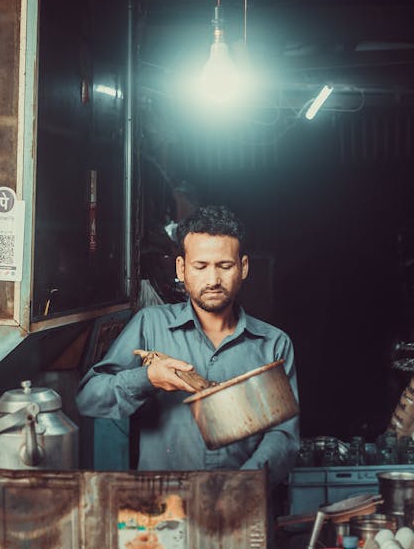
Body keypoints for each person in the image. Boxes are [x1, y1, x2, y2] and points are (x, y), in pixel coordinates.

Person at [76, 205, 299, 485]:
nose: (213, 280)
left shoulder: (274, 344)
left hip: (243, 506)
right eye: (200, 266)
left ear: (243, 268)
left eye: (225, 266)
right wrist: (147, 378)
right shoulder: (150, 326)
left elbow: (284, 436)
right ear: (181, 268)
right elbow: (88, 400)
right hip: (163, 509)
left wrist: (243, 484)